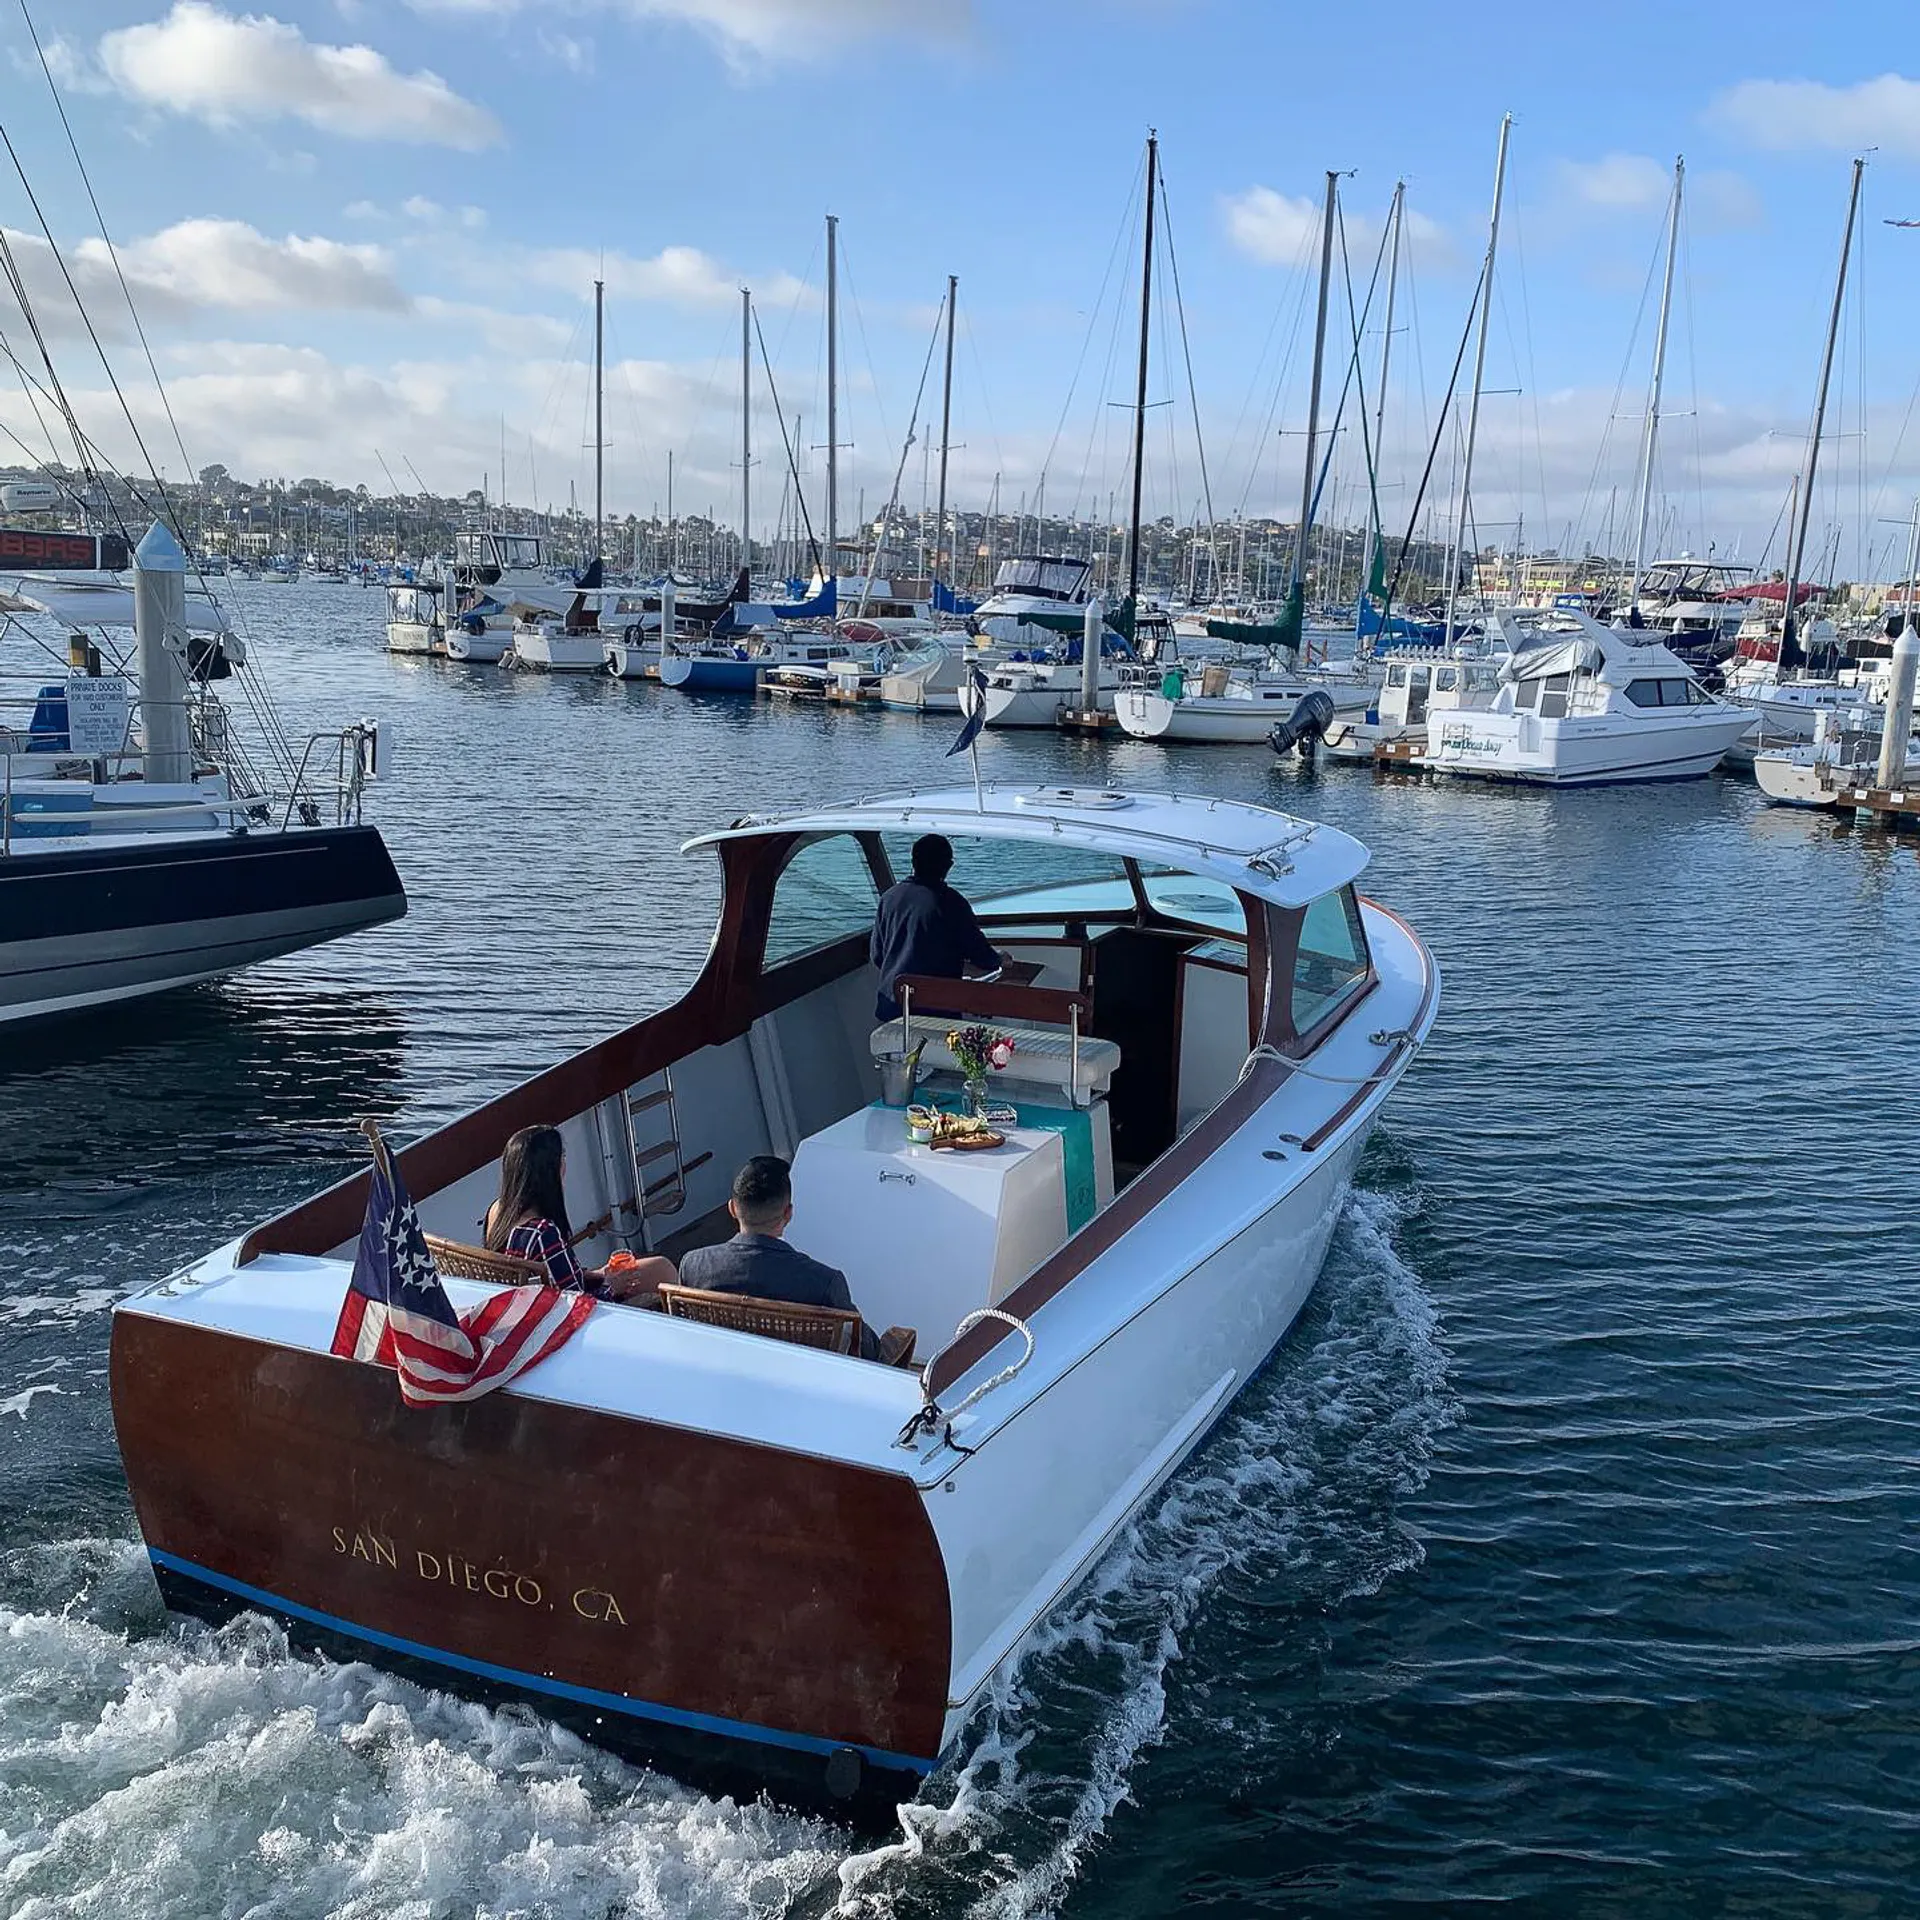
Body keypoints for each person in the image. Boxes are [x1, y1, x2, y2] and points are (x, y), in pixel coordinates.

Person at [677, 1156, 881, 1360]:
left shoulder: (693, 1266)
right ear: (788, 1214)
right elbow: (868, 1350)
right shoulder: (824, 1283)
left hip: (725, 1369)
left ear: (732, 1208)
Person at [483, 1125, 673, 1304]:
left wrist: (598, 1275)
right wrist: (611, 1287)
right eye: (562, 1156)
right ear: (550, 1169)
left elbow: (555, 1280)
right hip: (567, 1318)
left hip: (528, 1302)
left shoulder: (496, 1211)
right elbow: (576, 1307)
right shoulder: (542, 1232)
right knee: (664, 1271)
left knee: (657, 1266)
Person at [870, 832, 1003, 1022]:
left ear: (913, 862)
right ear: (948, 866)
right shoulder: (952, 903)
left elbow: (878, 956)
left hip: (892, 1008)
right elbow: (981, 956)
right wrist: (1000, 959)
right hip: (936, 1012)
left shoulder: (889, 898)